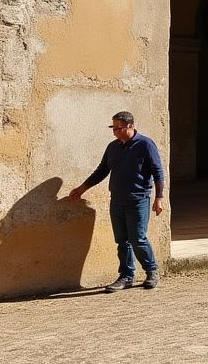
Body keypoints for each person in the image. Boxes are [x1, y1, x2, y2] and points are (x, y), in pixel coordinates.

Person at [69, 111, 166, 292]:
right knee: (122, 241)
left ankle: (152, 271)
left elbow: (157, 172)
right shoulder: (113, 147)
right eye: (113, 128)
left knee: (138, 238)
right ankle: (126, 276)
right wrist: (82, 188)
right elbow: (101, 171)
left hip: (138, 200)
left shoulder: (145, 144)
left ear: (130, 126)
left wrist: (159, 198)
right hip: (117, 201)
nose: (115, 131)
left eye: (118, 128)